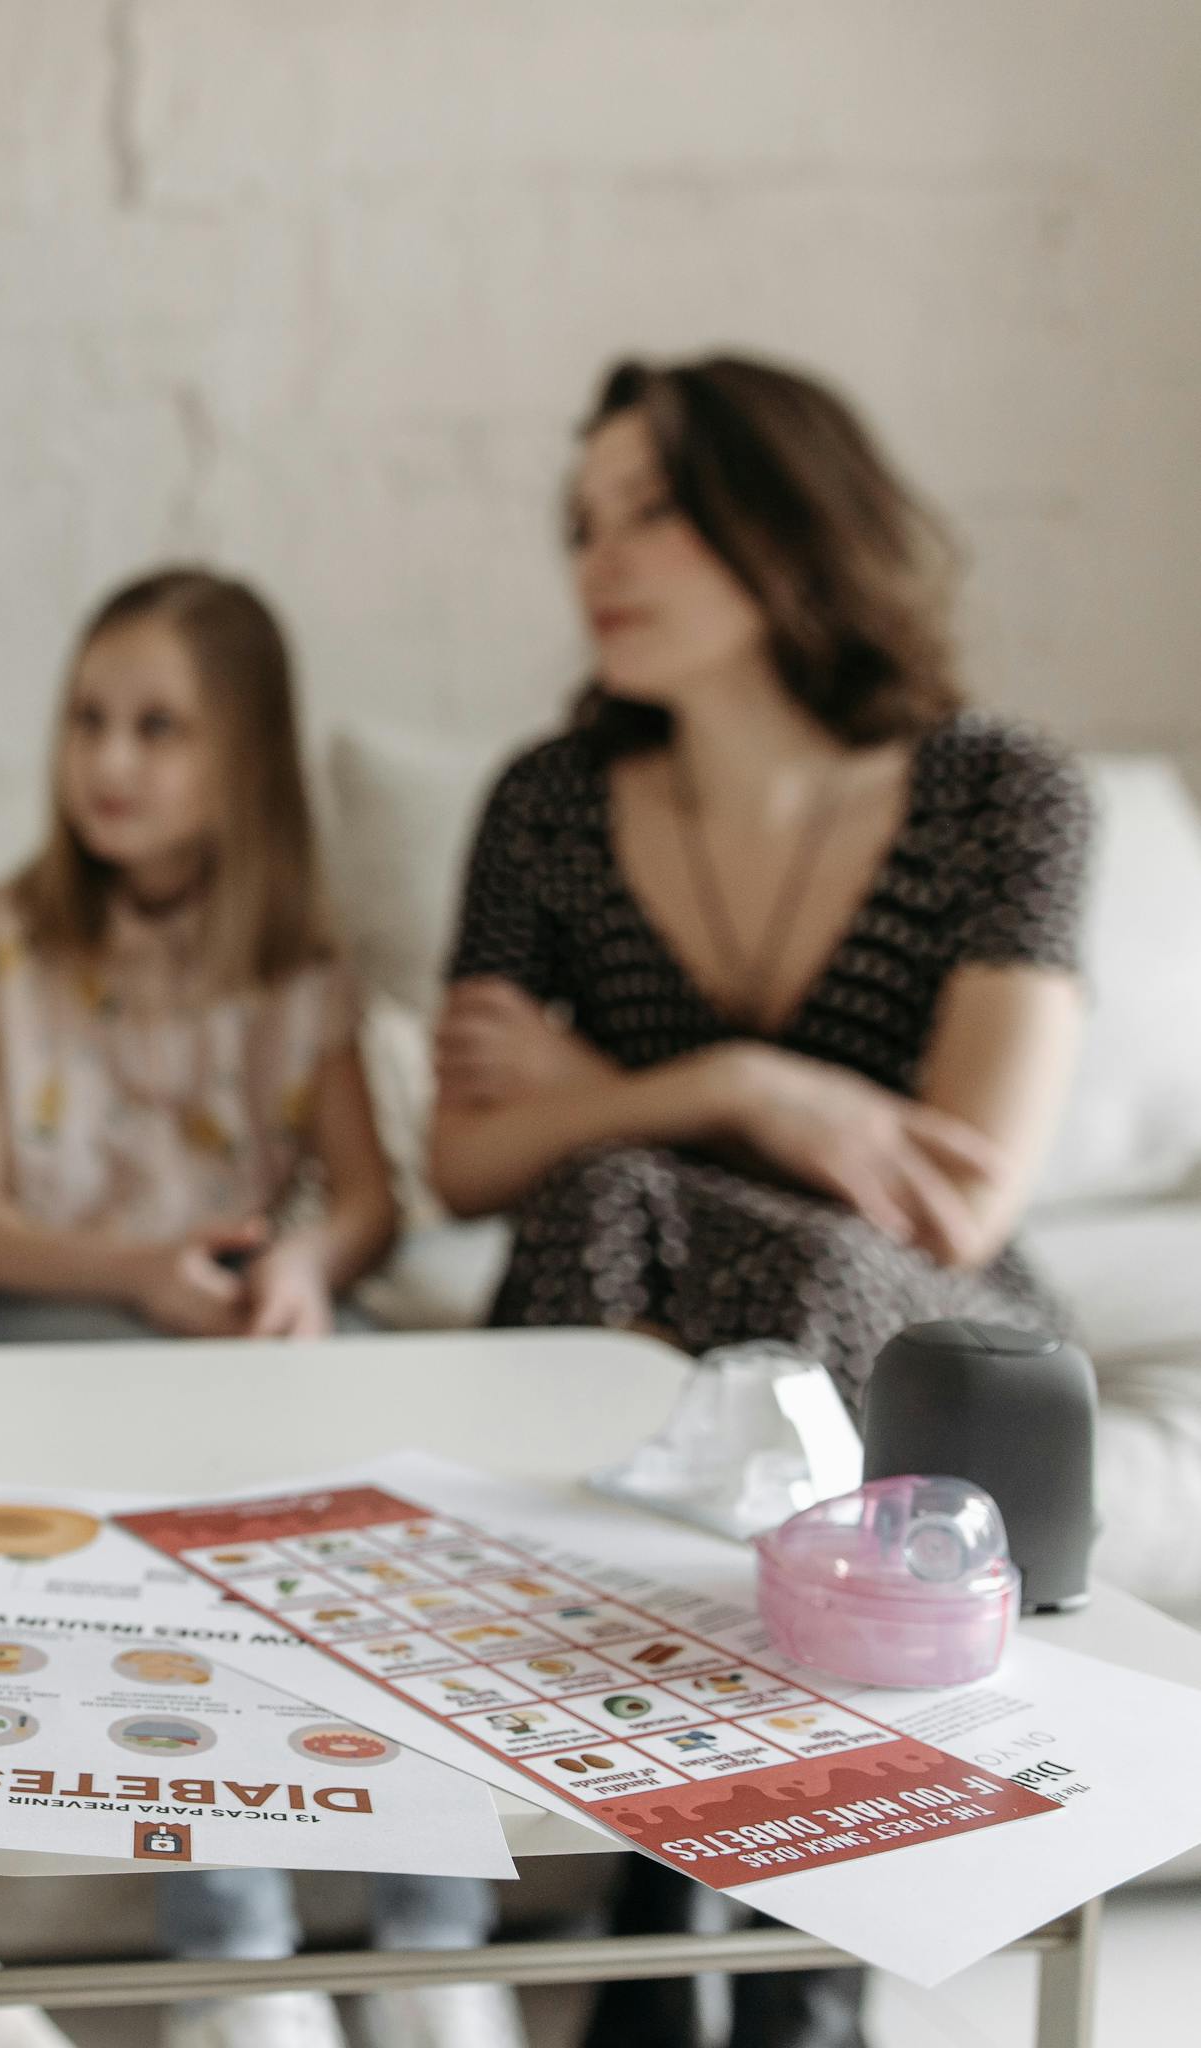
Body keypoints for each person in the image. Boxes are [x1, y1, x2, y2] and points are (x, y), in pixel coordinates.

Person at [430, 357, 1095, 2048]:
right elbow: (465, 1165)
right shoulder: (547, 807)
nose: (601, 558)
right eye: (582, 521)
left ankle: (712, 1915)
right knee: (606, 1192)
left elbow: (960, 1190)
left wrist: (600, 1084)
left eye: (652, 508)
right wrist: (742, 1086)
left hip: (928, 1342)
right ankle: (740, 1921)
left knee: (742, 1246)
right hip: (642, 1338)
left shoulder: (1000, 793)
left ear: (790, 514)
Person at [0, 568, 520, 2048]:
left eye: (159, 728)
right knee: (173, 1553)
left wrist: (307, 1270)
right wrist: (130, 1272)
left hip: (238, 1339)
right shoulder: (0, 945)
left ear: (243, 756)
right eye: (89, 722)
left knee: (389, 1497)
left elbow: (371, 1204)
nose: (110, 762)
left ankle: (436, 1934)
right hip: (50, 1326)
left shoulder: (299, 963)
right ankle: (235, 1959)